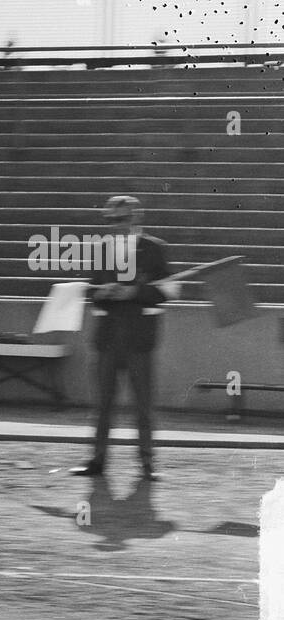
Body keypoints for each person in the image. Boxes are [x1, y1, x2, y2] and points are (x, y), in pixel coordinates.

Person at [70, 195, 177, 481]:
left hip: (140, 340)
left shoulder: (155, 250)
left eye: (121, 219)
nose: (115, 226)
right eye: (110, 220)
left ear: (136, 218)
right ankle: (97, 461)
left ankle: (147, 464)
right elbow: (91, 290)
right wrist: (101, 294)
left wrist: (135, 293)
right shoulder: (102, 249)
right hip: (107, 340)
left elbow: (169, 292)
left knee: (143, 405)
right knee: (102, 405)